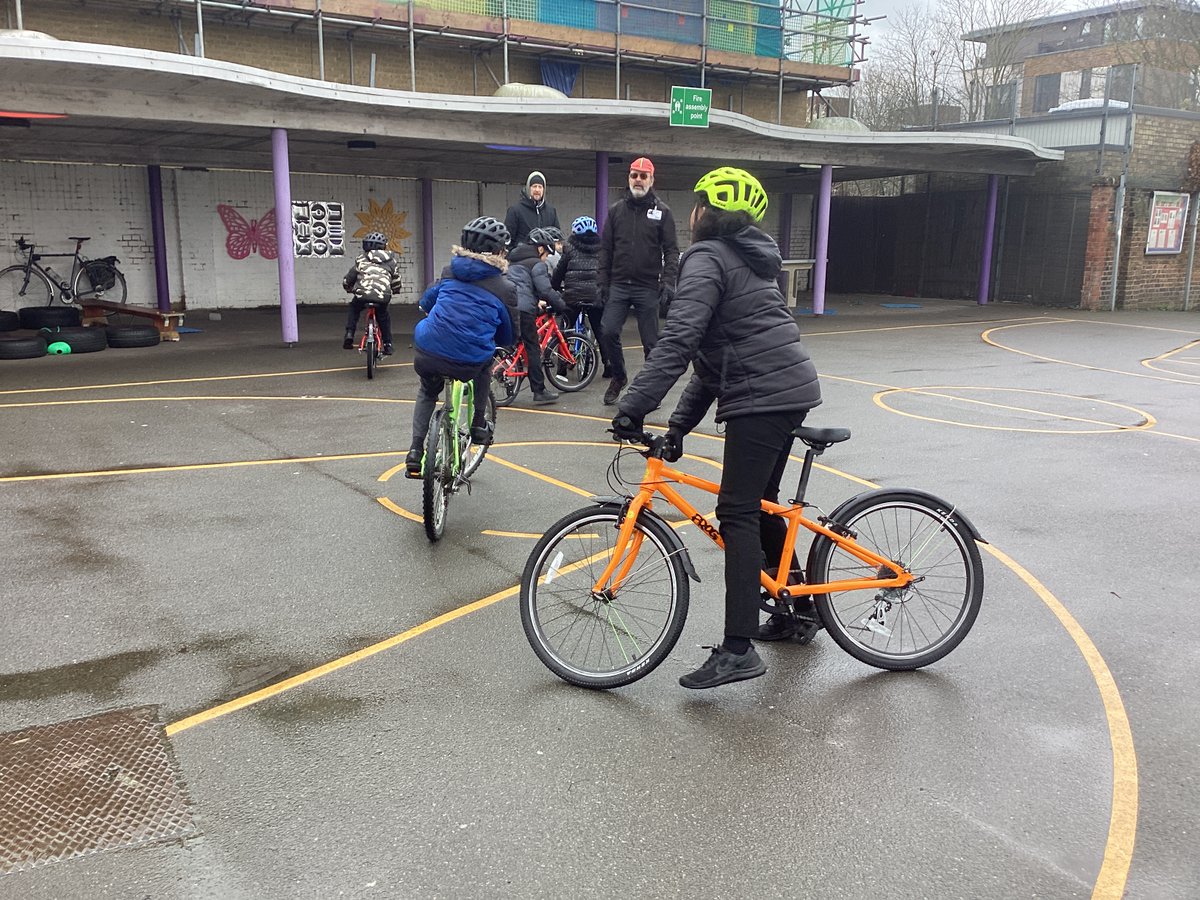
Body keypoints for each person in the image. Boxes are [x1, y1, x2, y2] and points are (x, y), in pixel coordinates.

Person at [610, 166, 822, 690]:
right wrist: (678, 426)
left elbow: (678, 342)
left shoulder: (706, 258)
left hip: (764, 397)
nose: (691, 212)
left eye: (697, 203)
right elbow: (713, 360)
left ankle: (737, 649)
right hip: (784, 390)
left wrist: (633, 406)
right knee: (763, 503)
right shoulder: (748, 260)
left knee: (736, 511)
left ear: (707, 214)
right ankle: (798, 608)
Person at [405, 216, 516, 477]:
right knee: (485, 362)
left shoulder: (449, 271)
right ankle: (478, 424)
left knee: (427, 390)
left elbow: (426, 302)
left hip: (428, 351)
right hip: (468, 362)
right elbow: (508, 335)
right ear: (500, 252)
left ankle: (414, 452)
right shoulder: (505, 288)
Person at [598, 156, 679, 406]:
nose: (638, 180)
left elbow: (671, 250)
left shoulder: (663, 212)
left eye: (643, 176)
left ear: (651, 180)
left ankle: (649, 391)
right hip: (619, 285)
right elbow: (606, 250)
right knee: (608, 330)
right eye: (634, 175)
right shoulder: (616, 211)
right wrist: (602, 282)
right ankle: (619, 377)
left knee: (651, 343)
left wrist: (668, 282)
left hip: (647, 286)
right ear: (629, 178)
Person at [505, 227, 566, 405]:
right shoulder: (536, 263)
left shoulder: (513, 260)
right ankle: (539, 391)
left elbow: (521, 285)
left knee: (512, 341)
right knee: (533, 347)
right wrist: (562, 306)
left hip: (507, 305)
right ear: (540, 249)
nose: (547, 258)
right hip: (523, 309)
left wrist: (535, 299)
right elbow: (545, 289)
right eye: (547, 253)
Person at [551, 215, 607, 376]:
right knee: (600, 330)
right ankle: (608, 364)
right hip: (596, 296)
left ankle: (562, 367)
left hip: (572, 297)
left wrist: (555, 287)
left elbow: (559, 271)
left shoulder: (569, 247)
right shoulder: (603, 249)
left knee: (565, 329)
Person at [342, 231, 402, 355]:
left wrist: (348, 287)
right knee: (383, 316)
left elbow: (350, 278)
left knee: (354, 308)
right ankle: (387, 344)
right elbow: (396, 281)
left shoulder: (361, 259)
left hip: (362, 294)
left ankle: (349, 334)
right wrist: (395, 290)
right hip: (383, 295)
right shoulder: (391, 261)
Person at [504, 171, 561, 249]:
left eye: (540, 187)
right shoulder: (515, 210)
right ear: (528, 188)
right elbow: (508, 240)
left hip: (546, 258)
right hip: (522, 258)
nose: (537, 190)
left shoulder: (551, 211)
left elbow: (556, 237)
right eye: (534, 186)